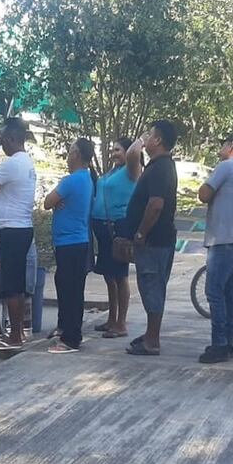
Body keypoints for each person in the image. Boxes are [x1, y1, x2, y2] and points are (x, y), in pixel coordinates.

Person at [123, 120, 179, 357]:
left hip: (154, 241)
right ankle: (149, 334)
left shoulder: (160, 168)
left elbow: (155, 205)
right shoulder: (158, 166)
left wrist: (140, 233)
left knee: (152, 287)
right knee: (151, 287)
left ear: (158, 140)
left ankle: (152, 340)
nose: (145, 138)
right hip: (157, 240)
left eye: (149, 134)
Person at [0, 117, 37, 351]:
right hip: (19, 229)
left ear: (13, 139)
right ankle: (17, 333)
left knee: (11, 286)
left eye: (2, 139)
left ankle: (15, 336)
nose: (0, 143)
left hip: (13, 231)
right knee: (15, 284)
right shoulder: (26, 163)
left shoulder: (14, 163)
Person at [196, 134, 233, 363]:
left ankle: (219, 344)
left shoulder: (227, 166)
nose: (221, 148)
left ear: (232, 147)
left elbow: (203, 193)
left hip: (222, 239)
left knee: (214, 291)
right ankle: (227, 341)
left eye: (223, 144)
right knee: (228, 292)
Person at [43, 138, 96, 353]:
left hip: (70, 242)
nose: (68, 156)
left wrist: (56, 203)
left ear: (77, 155)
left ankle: (71, 338)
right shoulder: (87, 179)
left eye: (71, 151)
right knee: (66, 285)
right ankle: (64, 326)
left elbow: (47, 201)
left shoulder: (71, 181)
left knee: (71, 290)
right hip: (75, 241)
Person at [91, 137, 142, 338]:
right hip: (103, 227)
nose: (113, 153)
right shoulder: (112, 172)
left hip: (118, 227)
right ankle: (111, 318)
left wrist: (142, 139)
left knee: (120, 276)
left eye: (118, 150)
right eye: (112, 150)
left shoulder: (131, 170)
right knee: (109, 275)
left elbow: (136, 154)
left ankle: (121, 323)